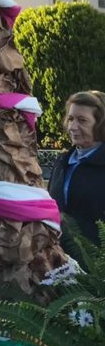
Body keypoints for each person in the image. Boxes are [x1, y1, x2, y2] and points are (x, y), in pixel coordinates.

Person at [48, 90, 105, 242]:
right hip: (58, 257)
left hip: (96, 262)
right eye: (71, 119)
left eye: (82, 120)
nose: (72, 126)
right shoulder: (62, 162)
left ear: (100, 124)